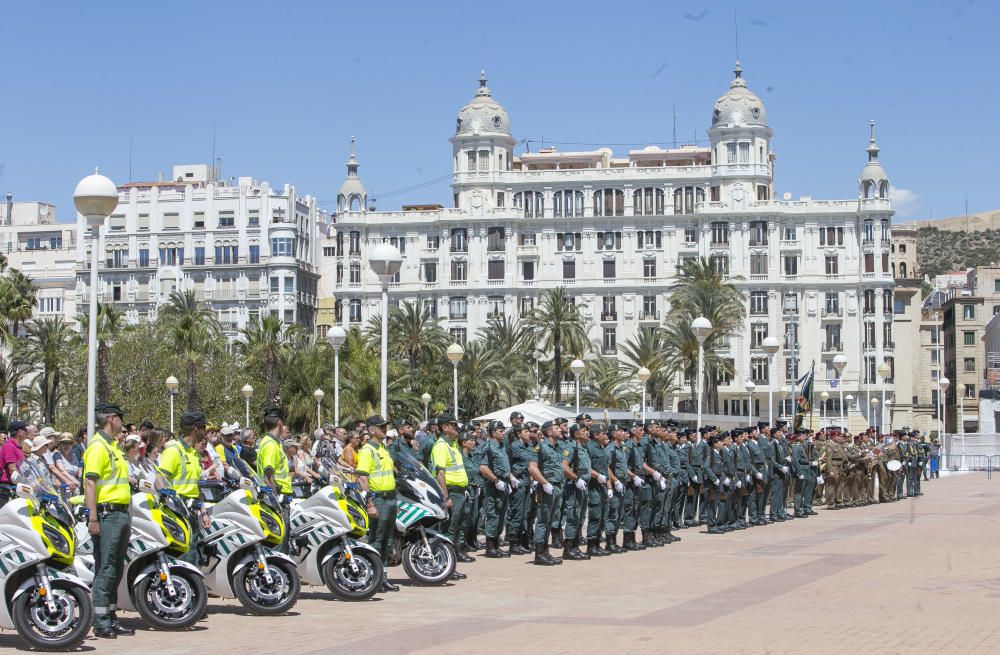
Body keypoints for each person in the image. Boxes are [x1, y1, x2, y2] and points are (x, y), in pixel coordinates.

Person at [82, 402, 135, 639]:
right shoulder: (97, 447)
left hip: (121, 513)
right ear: (112, 419)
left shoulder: (113, 446)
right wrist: (92, 516)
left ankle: (111, 617)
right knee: (105, 567)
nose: (123, 423)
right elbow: (90, 483)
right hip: (107, 514)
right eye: (121, 418)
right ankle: (101, 621)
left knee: (115, 568)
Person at [158, 411, 212, 565]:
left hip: (192, 510)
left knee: (193, 552)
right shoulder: (174, 451)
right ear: (196, 429)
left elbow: (196, 488)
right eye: (203, 428)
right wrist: (171, 504)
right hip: (178, 510)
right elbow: (160, 479)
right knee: (185, 555)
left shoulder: (194, 453)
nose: (205, 433)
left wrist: (204, 513)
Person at [355, 415, 401, 591]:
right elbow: (362, 478)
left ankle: (383, 577)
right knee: (377, 540)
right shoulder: (368, 450)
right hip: (379, 499)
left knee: (388, 541)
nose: (385, 429)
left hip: (390, 498)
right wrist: (370, 503)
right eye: (381, 426)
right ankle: (374, 577)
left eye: (385, 426)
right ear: (371, 429)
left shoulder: (383, 449)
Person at [431, 414, 475, 565]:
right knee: (448, 530)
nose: (458, 428)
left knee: (457, 528)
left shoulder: (453, 445)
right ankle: (445, 565)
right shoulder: (441, 446)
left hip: (460, 491)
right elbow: (440, 473)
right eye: (454, 425)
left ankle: (452, 562)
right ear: (445, 428)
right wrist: (445, 496)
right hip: (451, 493)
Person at [527, 420, 565, 566]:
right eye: (557, 428)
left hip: (556, 488)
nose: (560, 430)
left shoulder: (556, 447)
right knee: (543, 520)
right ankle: (539, 554)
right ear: (549, 432)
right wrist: (545, 483)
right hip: (547, 488)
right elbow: (532, 468)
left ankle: (545, 551)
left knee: (550, 521)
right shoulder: (541, 447)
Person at [256, 406, 291, 552]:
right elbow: (268, 478)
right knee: (279, 545)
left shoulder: (273, 443)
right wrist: (276, 504)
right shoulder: (270, 445)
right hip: (277, 500)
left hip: (279, 498)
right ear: (279, 422)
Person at [478, 420, 515, 558]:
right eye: (500, 431)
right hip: (494, 485)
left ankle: (496, 544)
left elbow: (504, 465)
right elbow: (483, 467)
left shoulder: (501, 446)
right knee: (494, 514)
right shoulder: (488, 447)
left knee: (502, 514)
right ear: (493, 433)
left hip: (503, 483)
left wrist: (511, 478)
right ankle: (490, 547)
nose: (503, 433)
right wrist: (496, 480)